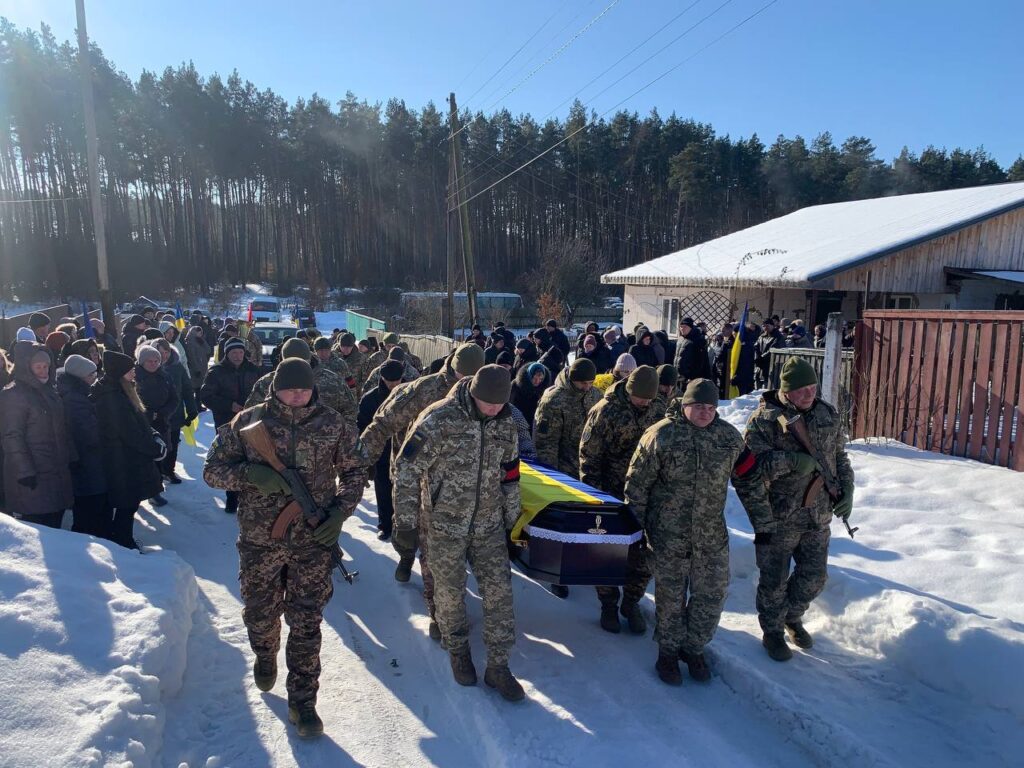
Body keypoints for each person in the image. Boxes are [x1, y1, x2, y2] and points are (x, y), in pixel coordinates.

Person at [204, 357, 364, 738]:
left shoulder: (333, 424)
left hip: (313, 541)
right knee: (260, 615)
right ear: (275, 388)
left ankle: (303, 703)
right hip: (260, 541)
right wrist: (250, 474)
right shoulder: (247, 423)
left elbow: (356, 471)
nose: (297, 396)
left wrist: (340, 512)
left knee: (307, 622)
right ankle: (264, 652)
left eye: (304, 390)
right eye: (290, 390)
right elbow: (211, 470)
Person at [393, 365, 525, 702]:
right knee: (450, 592)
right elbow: (406, 469)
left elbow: (511, 473)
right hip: (445, 523)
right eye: (488, 403)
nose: (493, 409)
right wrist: (405, 523)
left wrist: (514, 521)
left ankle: (499, 665)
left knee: (500, 593)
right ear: (474, 393)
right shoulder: (439, 418)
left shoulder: (506, 422)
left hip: (488, 524)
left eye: (499, 404)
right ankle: (458, 650)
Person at [626, 378, 770, 685]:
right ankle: (668, 653)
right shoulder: (661, 435)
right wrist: (634, 532)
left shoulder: (728, 438)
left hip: (710, 536)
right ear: (685, 405)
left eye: (711, 408)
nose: (705, 413)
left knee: (712, 594)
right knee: (671, 599)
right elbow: (637, 486)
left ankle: (693, 647)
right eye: (699, 407)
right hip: (667, 536)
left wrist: (764, 525)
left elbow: (750, 483)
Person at [360, 344, 485, 632]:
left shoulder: (482, 393)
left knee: (436, 550)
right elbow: (382, 424)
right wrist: (361, 460)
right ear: (453, 369)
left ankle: (440, 611)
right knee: (407, 529)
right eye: (463, 377)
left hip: (455, 486)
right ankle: (406, 557)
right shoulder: (422, 390)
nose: (467, 383)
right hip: (414, 478)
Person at [742, 357, 854, 661]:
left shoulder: (826, 413)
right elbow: (750, 469)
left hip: (817, 514)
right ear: (786, 390)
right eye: (802, 389)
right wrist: (790, 461)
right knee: (774, 581)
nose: (809, 394)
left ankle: (791, 616)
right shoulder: (764, 420)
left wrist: (847, 488)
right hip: (778, 516)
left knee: (815, 577)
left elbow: (839, 457)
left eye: (813, 387)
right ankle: (772, 631)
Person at [579, 366, 662, 634]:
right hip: (610, 494)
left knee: (643, 555)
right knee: (607, 553)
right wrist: (595, 498)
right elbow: (589, 459)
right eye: (641, 398)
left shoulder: (658, 410)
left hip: (646, 495)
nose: (645, 403)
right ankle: (609, 604)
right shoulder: (605, 411)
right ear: (629, 390)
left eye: (649, 399)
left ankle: (632, 602)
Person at [91, 350, 165, 548]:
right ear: (119, 373)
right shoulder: (113, 398)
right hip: (123, 460)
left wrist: (153, 436)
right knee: (127, 504)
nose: (134, 373)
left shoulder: (121, 391)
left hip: (127, 458)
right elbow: (130, 433)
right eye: (130, 370)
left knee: (129, 503)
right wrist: (154, 449)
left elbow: (138, 424)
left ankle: (121, 536)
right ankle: (123, 540)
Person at [0, 342, 74, 529]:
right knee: (39, 527)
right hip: (34, 474)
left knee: (55, 522)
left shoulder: (50, 391)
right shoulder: (14, 394)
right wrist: (24, 472)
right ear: (27, 367)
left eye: (46, 366)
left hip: (54, 470)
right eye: (38, 367)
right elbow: (12, 436)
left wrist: (71, 457)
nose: (43, 371)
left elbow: (62, 428)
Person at [200, 337, 262, 513]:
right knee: (230, 460)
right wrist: (229, 405)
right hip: (226, 423)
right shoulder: (216, 372)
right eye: (234, 352)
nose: (238, 356)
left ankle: (249, 497)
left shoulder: (253, 370)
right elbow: (206, 396)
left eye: (240, 352)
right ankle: (232, 498)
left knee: (251, 458)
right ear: (227, 354)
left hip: (251, 422)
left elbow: (264, 393)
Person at [248, 338, 359, 427]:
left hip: (321, 443)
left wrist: (338, 436)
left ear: (309, 360)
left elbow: (350, 410)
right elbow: (251, 416)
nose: (297, 369)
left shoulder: (332, 380)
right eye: (291, 364)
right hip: (276, 443)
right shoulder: (266, 383)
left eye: (301, 363)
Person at [57, 354, 109, 538]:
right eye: (91, 375)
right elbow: (88, 433)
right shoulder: (74, 400)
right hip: (86, 461)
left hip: (88, 460)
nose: (95, 378)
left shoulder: (81, 393)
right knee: (89, 507)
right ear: (80, 377)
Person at [358, 359, 404, 540]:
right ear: (382, 378)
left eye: (396, 380)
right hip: (382, 452)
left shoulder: (412, 394)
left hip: (406, 452)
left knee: (406, 491)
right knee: (383, 488)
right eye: (389, 380)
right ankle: (385, 525)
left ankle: (406, 528)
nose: (393, 384)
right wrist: (365, 456)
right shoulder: (370, 399)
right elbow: (362, 428)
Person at [533, 358, 601, 478]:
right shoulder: (553, 401)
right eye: (583, 383)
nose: (587, 387)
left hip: (590, 470)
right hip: (565, 471)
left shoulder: (596, 395)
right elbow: (546, 443)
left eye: (591, 382)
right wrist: (552, 476)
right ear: (572, 379)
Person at [134, 343, 179, 505]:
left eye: (156, 361)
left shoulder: (165, 376)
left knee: (160, 456)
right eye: (149, 361)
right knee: (144, 459)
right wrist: (147, 414)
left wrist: (163, 413)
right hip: (142, 425)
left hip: (161, 422)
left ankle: (156, 490)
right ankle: (144, 490)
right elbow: (131, 402)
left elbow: (174, 399)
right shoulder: (134, 377)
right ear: (142, 362)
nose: (153, 364)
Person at [152, 338, 198, 484]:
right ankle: (157, 474)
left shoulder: (177, 367)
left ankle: (169, 470)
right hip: (155, 416)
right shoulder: (148, 368)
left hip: (175, 413)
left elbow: (187, 389)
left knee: (173, 444)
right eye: (160, 352)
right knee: (157, 444)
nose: (164, 355)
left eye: (166, 352)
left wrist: (192, 409)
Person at [673, 317, 712, 388]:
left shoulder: (698, 340)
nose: (682, 329)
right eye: (681, 327)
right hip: (679, 377)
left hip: (691, 379)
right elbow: (677, 356)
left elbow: (700, 362)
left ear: (691, 328)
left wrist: (692, 377)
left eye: (685, 327)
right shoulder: (680, 339)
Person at [510, 362, 549, 429]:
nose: (537, 381)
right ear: (529, 375)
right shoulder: (516, 385)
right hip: (517, 422)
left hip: (535, 424)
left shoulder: (544, 389)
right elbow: (510, 404)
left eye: (541, 379)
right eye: (534, 378)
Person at [754, 319, 784, 389]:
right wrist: (757, 358)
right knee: (758, 384)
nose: (765, 328)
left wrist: (762, 357)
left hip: (772, 365)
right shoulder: (761, 336)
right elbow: (756, 347)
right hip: (761, 365)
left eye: (767, 326)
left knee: (769, 385)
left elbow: (774, 349)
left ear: (773, 326)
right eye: (763, 326)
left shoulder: (778, 336)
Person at [184, 323, 213, 393]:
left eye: (201, 333)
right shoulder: (190, 342)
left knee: (202, 387)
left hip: (203, 368)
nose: (200, 334)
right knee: (196, 388)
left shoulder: (200, 341)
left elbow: (208, 350)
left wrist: (203, 342)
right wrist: (197, 369)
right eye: (198, 333)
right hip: (195, 370)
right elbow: (192, 357)